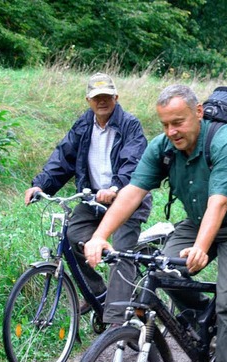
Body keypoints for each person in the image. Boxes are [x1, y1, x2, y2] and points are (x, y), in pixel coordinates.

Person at [83, 84, 227, 362]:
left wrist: (201, 247)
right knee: (163, 271)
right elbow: (132, 192)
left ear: (198, 113)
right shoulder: (163, 147)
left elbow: (220, 201)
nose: (172, 131)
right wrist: (100, 235)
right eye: (165, 124)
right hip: (198, 222)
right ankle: (204, 324)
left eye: (179, 122)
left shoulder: (225, 141)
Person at [24, 72, 151, 323]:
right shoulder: (83, 125)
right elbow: (63, 159)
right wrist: (41, 185)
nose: (101, 101)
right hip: (93, 199)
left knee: (122, 253)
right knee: (73, 236)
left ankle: (116, 321)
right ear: (88, 100)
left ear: (116, 97)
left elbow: (132, 163)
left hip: (126, 199)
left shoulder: (130, 125)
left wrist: (115, 187)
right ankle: (99, 293)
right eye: (96, 97)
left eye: (106, 96)